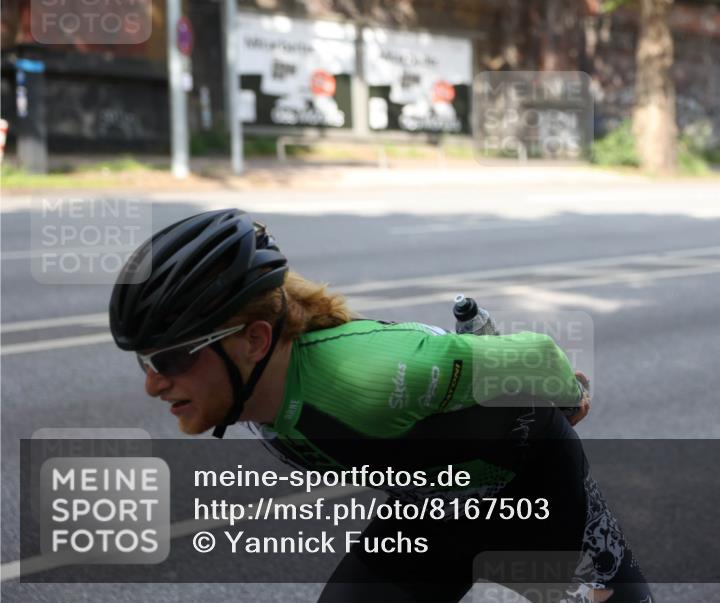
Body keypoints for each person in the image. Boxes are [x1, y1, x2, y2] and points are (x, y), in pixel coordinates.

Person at [110, 208, 652, 602]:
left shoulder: (372, 373)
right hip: (430, 508)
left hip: (539, 493)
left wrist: (569, 397)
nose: (154, 385)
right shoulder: (255, 391)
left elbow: (535, 355)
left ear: (253, 340)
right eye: (147, 362)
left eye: (174, 359)